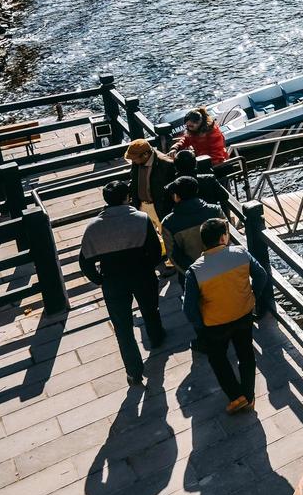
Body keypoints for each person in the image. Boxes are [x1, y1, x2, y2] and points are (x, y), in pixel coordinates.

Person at [79, 179, 166, 386]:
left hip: (113, 280)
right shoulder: (141, 218)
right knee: (150, 308)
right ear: (127, 197)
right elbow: (156, 251)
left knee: (123, 327)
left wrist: (100, 280)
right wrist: (148, 266)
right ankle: (156, 337)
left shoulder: (93, 228)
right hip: (142, 273)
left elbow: (85, 263)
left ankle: (134, 371)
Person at [183, 217, 270, 415]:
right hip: (243, 314)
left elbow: (188, 308)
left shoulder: (195, 271)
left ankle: (236, 396)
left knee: (218, 359)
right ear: (224, 237)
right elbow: (261, 275)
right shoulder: (240, 254)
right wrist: (253, 296)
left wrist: (200, 326)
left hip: (214, 324)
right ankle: (248, 395)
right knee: (246, 354)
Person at [160, 176, 223, 278]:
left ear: (176, 196)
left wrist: (191, 274)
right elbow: (227, 239)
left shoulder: (168, 223)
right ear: (197, 190)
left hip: (193, 273)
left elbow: (173, 255)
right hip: (222, 266)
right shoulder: (215, 211)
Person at [124, 138, 176, 223]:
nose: (133, 161)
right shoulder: (137, 161)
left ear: (145, 154)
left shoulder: (166, 164)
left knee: (163, 233)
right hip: (141, 206)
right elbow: (134, 179)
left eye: (134, 158)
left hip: (159, 207)